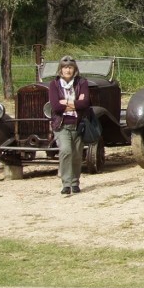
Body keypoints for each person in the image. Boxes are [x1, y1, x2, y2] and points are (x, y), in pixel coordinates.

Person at [48, 55, 91, 195]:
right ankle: (66, 184)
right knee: (66, 151)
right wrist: (75, 103)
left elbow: (85, 103)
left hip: (78, 124)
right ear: (60, 69)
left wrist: (65, 103)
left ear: (74, 69)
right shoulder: (54, 84)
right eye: (65, 67)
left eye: (70, 67)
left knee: (77, 155)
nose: (67, 70)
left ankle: (75, 182)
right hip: (61, 125)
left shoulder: (82, 83)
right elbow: (56, 107)